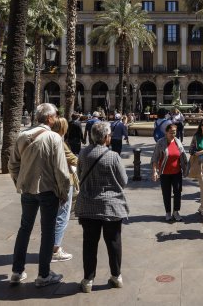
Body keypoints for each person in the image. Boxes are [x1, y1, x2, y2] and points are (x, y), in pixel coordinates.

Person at [8, 103, 71, 287]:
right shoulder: (54, 138)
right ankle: (44, 275)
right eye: (55, 115)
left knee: (24, 229)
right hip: (48, 191)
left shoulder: (22, 136)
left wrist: (21, 182)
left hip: (27, 190)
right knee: (48, 231)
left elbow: (13, 165)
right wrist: (64, 192)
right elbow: (60, 169)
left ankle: (17, 272)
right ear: (50, 118)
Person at [75, 121, 129, 293]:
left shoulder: (83, 153)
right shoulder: (113, 156)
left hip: (88, 206)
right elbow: (124, 181)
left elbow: (79, 174)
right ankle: (116, 276)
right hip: (111, 207)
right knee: (113, 242)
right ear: (106, 137)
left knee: (89, 243)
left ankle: (88, 280)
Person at [50, 117, 79, 263]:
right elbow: (73, 159)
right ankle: (55, 249)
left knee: (53, 215)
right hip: (64, 181)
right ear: (63, 128)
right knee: (63, 215)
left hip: (50, 181)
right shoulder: (59, 141)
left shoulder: (49, 139)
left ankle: (50, 247)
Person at [151, 123, 188, 222]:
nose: (173, 134)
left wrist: (186, 167)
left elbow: (183, 156)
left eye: (174, 132)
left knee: (177, 192)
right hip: (164, 173)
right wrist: (155, 171)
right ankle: (168, 212)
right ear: (166, 132)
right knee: (166, 193)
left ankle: (176, 212)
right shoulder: (160, 143)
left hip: (177, 172)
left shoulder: (178, 142)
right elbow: (155, 158)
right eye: (171, 132)